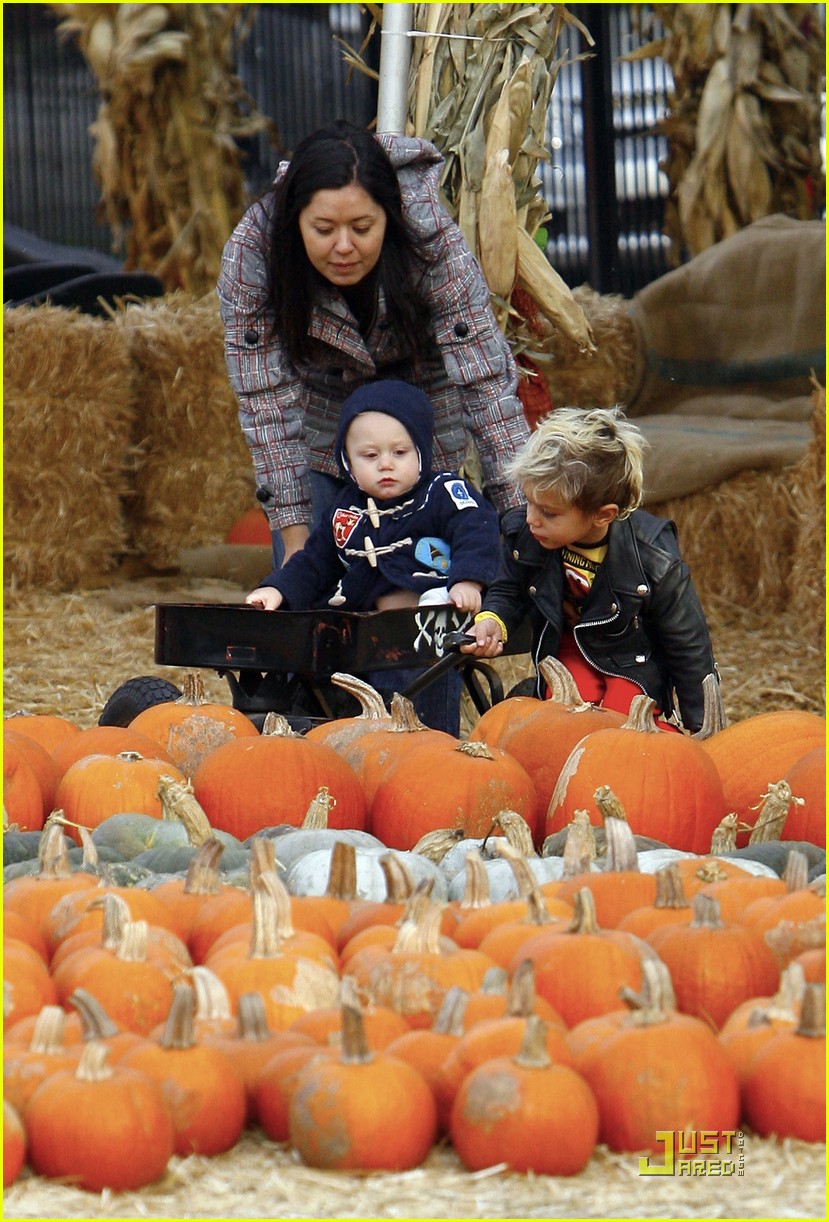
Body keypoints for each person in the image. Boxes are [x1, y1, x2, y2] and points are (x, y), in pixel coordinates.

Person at [217, 119, 529, 570]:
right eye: (323, 229)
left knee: (425, 569)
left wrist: (519, 522)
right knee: (314, 578)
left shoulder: (430, 235)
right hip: (321, 418)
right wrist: (295, 541)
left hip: (422, 407)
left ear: (390, 214)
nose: (344, 246)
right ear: (294, 222)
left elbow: (486, 385)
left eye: (362, 227)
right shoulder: (253, 253)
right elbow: (265, 403)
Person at [461, 407, 718, 733]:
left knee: (621, 729)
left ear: (603, 515)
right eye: (528, 502)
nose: (531, 519)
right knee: (569, 722)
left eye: (549, 513)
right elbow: (508, 589)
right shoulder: (526, 536)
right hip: (566, 657)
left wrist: (703, 732)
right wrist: (492, 619)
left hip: (629, 665)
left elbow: (689, 647)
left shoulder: (653, 558)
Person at [246, 379, 500, 614]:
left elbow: (477, 532)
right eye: (370, 455)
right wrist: (277, 588)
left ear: (421, 452)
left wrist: (468, 580)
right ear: (348, 462)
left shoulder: (442, 493)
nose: (385, 464)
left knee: (434, 601)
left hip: (428, 607)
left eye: (400, 452)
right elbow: (314, 562)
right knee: (322, 620)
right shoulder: (345, 510)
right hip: (364, 623)